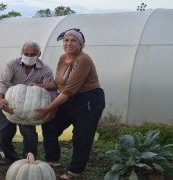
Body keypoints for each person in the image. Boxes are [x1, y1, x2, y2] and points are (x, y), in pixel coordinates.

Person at [29, 28, 105, 179]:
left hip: (88, 100)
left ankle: (75, 170)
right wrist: (38, 86)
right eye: (66, 40)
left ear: (81, 44)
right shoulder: (63, 58)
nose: (69, 43)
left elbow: (70, 89)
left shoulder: (83, 60)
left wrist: (50, 107)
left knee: (82, 136)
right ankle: (52, 159)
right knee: (50, 125)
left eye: (73, 40)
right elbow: (58, 84)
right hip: (68, 98)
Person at [0, 41, 57, 165]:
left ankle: (28, 160)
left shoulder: (45, 70)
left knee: (29, 134)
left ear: (39, 54)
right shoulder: (12, 64)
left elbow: (51, 90)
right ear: (21, 53)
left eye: (32, 54)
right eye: (26, 53)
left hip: (29, 107)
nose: (29, 56)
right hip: (8, 103)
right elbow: (3, 82)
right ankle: (10, 157)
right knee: (1, 134)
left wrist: (52, 109)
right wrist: (0, 99)